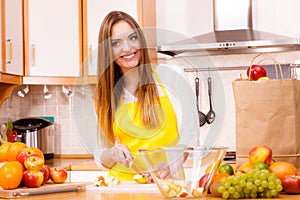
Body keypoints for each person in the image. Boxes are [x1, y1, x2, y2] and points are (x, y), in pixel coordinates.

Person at [93, 10, 199, 181]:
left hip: (167, 186)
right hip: (123, 189)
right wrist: (113, 154)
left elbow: (190, 136)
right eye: (116, 43)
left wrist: (172, 164)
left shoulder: (172, 77)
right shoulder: (105, 94)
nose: (128, 48)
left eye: (132, 38)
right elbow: (99, 155)